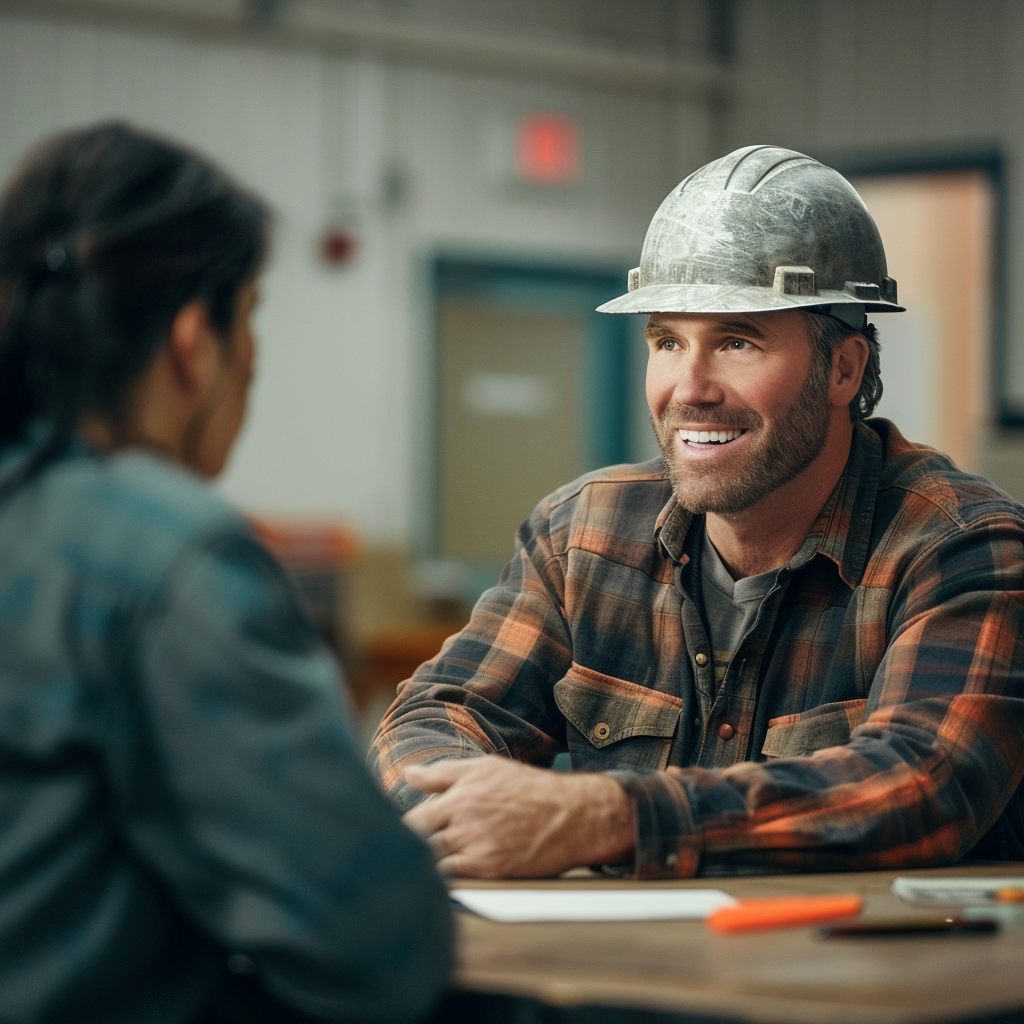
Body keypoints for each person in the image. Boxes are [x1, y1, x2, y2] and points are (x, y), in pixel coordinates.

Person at [371, 145, 1024, 880]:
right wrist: (465, 804)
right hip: (622, 977)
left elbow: (920, 786)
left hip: (861, 985)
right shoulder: (582, 535)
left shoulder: (963, 549)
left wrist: (603, 821)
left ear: (844, 367)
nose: (690, 388)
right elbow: (437, 714)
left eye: (737, 342)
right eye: (667, 340)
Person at [0, 122, 452, 1024]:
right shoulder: (165, 553)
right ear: (190, 340)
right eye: (250, 321)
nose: (253, 360)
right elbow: (378, 939)